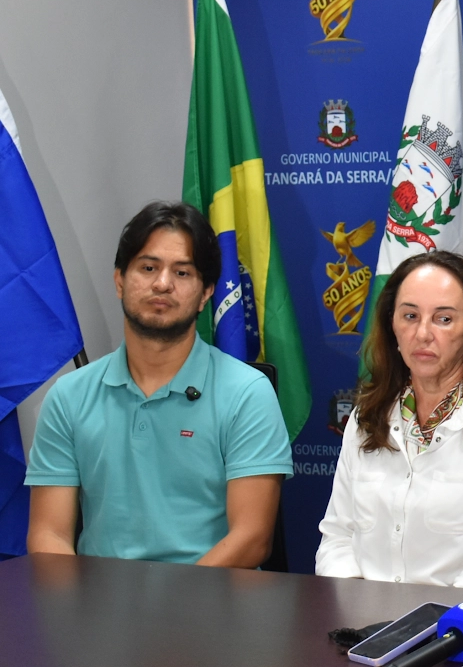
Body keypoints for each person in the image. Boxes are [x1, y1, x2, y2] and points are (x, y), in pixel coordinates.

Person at [25, 202, 291, 566]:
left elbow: (251, 539)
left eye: (182, 273)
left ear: (206, 292)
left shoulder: (246, 393)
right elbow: (48, 534)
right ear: (120, 281)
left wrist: (170, 601)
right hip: (99, 597)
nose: (162, 284)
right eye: (148, 268)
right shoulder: (69, 396)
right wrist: (79, 598)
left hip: (211, 597)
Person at [317, 251, 463, 591]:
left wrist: (447, 612)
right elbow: (338, 536)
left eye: (443, 319)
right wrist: (357, 599)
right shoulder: (368, 413)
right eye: (410, 316)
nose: (422, 333)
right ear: (391, 325)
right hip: (364, 615)